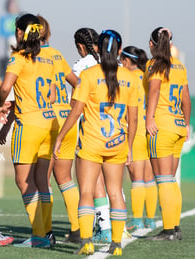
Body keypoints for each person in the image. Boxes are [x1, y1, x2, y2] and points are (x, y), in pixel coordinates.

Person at [53, 30, 138, 256]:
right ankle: (117, 244)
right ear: (120, 51)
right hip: (117, 144)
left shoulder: (89, 75)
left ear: (98, 49)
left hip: (90, 143)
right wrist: (129, 146)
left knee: (87, 193)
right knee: (115, 193)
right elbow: (134, 118)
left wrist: (60, 137)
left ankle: (87, 242)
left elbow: (75, 111)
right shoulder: (130, 77)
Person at [0, 13, 59, 248]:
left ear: (21, 32)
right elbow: (51, 94)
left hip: (29, 126)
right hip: (49, 122)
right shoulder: (47, 59)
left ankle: (39, 236)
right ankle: (46, 233)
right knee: (42, 180)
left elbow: (5, 88)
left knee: (23, 181)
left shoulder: (18, 57)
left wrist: (0, 102)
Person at [51, 27, 100, 244]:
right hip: (116, 128)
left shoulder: (80, 66)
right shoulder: (112, 63)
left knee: (80, 182)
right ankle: (112, 229)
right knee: (113, 183)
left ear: (80, 46)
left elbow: (75, 101)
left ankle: (80, 229)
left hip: (88, 128)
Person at [32, 15, 78, 245]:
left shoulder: (34, 56)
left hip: (50, 121)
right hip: (69, 120)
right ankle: (78, 227)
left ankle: (46, 232)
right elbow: (78, 83)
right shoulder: (58, 54)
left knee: (43, 179)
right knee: (66, 178)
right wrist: (72, 104)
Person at [145, 27, 191, 240]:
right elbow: (186, 98)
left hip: (161, 126)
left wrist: (149, 118)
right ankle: (175, 227)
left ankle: (169, 230)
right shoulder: (180, 66)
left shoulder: (154, 64)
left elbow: (154, 90)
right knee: (170, 180)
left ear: (153, 44)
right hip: (178, 126)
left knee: (163, 180)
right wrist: (186, 123)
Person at [120, 46, 158, 232]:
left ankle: (136, 219)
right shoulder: (146, 75)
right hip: (150, 128)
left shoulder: (129, 78)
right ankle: (150, 219)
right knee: (149, 177)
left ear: (127, 61)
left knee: (136, 177)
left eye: (121, 61)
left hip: (135, 129)